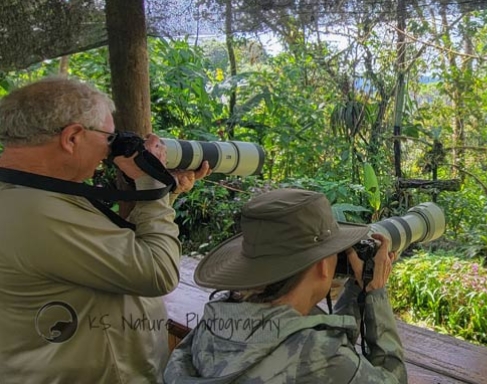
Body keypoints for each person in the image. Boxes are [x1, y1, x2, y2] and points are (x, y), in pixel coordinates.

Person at [0, 77, 209, 383]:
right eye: (109, 139)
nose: (109, 152)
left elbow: (118, 246)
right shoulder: (34, 209)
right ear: (72, 137)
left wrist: (166, 191)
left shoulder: (32, 194)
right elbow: (157, 272)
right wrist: (152, 184)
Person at [163, 188, 407, 383]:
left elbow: (328, 340)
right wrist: (374, 291)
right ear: (323, 266)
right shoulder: (319, 358)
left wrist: (358, 286)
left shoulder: (214, 323)